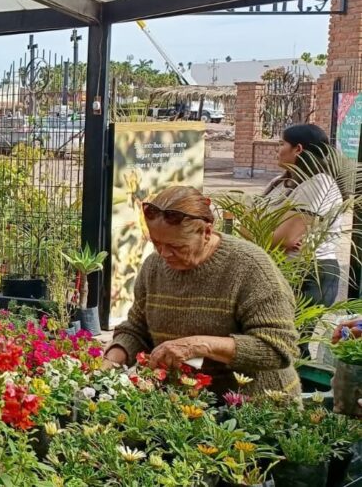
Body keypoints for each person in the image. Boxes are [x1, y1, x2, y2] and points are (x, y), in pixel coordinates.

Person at [105, 186, 300, 396]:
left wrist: (198, 345)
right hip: (187, 405)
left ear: (206, 232)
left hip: (258, 408)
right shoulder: (153, 267)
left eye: (177, 246)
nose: (164, 254)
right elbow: (136, 329)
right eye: (156, 243)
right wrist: (110, 360)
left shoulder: (250, 267)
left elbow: (279, 348)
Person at [262, 124, 345, 308]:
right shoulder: (278, 183)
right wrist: (269, 232)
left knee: (294, 335)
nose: (278, 149)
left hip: (309, 275)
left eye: (282, 143)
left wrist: (267, 232)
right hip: (280, 270)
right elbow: (246, 223)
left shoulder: (320, 185)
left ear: (298, 149)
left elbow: (284, 239)